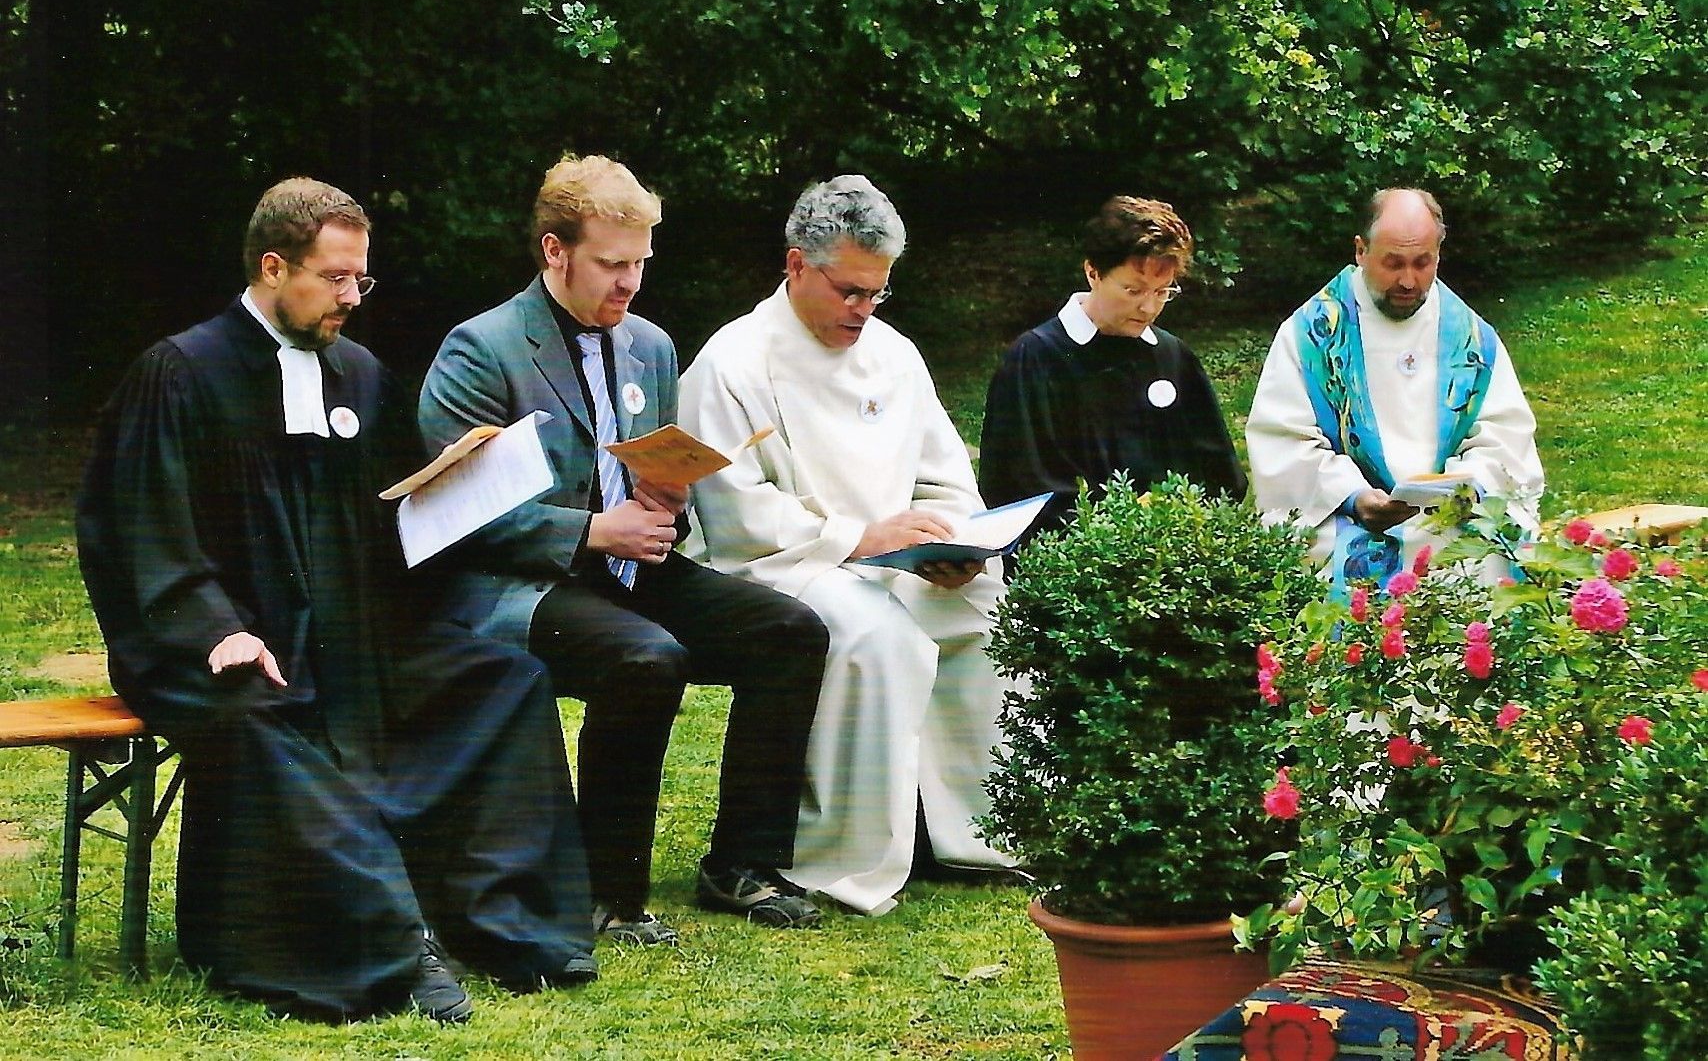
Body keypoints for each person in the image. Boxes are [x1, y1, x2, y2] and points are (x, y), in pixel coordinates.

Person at [75, 178, 598, 1024]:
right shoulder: (181, 372)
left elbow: (391, 524)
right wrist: (214, 629)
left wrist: (454, 494)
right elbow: (143, 528)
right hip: (217, 647)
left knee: (505, 682)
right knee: (263, 718)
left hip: (350, 632)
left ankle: (508, 926)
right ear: (273, 268)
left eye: (362, 278)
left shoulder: (358, 374)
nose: (353, 297)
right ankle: (392, 947)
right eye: (335, 278)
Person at [418, 155, 829, 942]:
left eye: (641, 263)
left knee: (790, 631)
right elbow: (455, 514)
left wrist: (668, 501)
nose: (630, 283)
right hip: (519, 585)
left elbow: (650, 475)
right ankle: (608, 893)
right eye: (612, 264)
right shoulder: (480, 350)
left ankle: (743, 864)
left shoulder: (652, 346)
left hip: (627, 570)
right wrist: (594, 530)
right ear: (555, 251)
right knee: (645, 658)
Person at [678, 174, 1016, 917]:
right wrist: (857, 539)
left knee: (993, 610)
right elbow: (735, 513)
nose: (864, 310)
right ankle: (842, 856)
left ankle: (976, 832)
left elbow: (944, 477)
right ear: (797, 265)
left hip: (893, 560)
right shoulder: (731, 362)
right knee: (875, 634)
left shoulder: (895, 355)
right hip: (783, 569)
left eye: (878, 293)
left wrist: (953, 543)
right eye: (850, 292)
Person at [1245, 187, 1544, 591]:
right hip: (1348, 516)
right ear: (1361, 251)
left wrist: (1463, 486)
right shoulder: (1312, 336)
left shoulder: (1469, 337)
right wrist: (1353, 496)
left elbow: (1504, 439)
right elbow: (1284, 444)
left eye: (1423, 263)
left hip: (1449, 517)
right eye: (1393, 263)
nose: (1408, 281)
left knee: (1490, 557)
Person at [979, 195, 1246, 544]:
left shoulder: (1172, 357)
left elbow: (1220, 476)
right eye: (1133, 290)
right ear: (1093, 272)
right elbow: (1020, 487)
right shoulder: (1035, 359)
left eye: (1163, 292)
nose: (1148, 307)